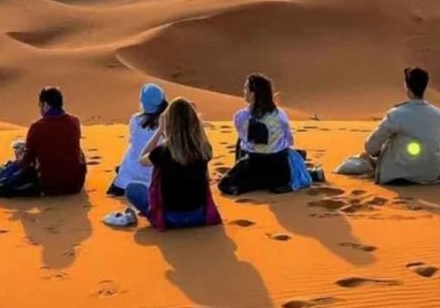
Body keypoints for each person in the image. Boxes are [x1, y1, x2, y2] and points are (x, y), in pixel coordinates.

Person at [103, 97, 222, 230]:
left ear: (169, 123)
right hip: (199, 216)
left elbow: (142, 159)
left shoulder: (162, 152)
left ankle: (154, 215)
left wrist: (159, 131)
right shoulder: (204, 150)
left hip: (170, 219)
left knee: (132, 189)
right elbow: (202, 144)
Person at [359, 66, 440, 185]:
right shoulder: (439, 114)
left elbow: (370, 147)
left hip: (397, 175)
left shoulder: (396, 114)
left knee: (384, 145)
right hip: (432, 175)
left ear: (406, 86)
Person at [0, 86, 87, 197]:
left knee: (7, 173)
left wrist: (20, 156)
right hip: (76, 184)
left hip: (51, 185)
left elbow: (27, 161)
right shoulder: (74, 121)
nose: (40, 110)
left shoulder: (37, 127)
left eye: (40, 106)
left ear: (46, 105)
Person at [219, 73, 299, 195]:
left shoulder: (241, 116)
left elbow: (244, 141)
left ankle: (250, 183)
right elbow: (289, 140)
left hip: (255, 165)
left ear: (253, 93)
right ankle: (272, 183)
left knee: (225, 184)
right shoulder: (280, 114)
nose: (244, 91)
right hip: (280, 170)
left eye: (246, 88)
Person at [108, 83, 168, 197]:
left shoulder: (135, 119)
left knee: (131, 151)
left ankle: (123, 180)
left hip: (133, 171)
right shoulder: (167, 121)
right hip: (156, 173)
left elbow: (134, 139)